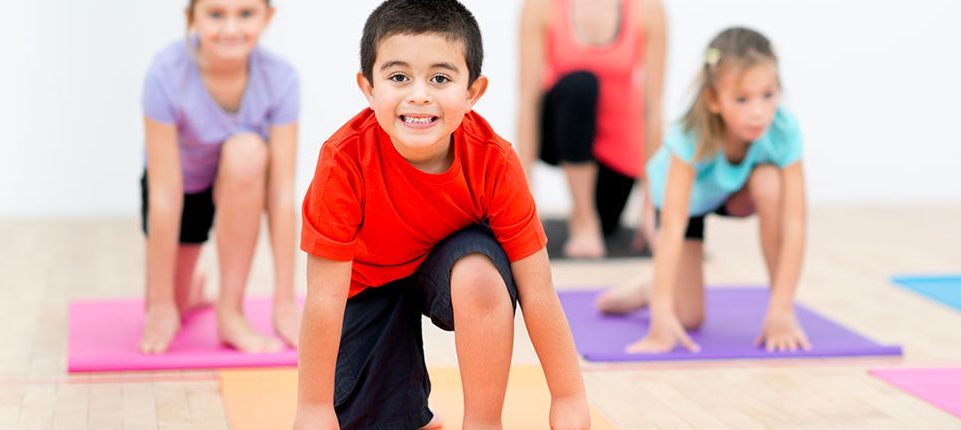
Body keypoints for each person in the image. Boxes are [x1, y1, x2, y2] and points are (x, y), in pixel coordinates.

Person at [292, 1, 588, 428]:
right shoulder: (343, 161)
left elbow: (538, 292)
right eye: (398, 77)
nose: (419, 94)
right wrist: (313, 408)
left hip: (449, 267)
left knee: (480, 275)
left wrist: (569, 396)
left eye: (440, 78)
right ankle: (409, 409)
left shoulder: (495, 161)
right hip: (371, 288)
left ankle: (483, 422)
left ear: (472, 92)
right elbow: (324, 298)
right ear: (368, 87)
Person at [596, 28, 811, 354]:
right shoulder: (689, 135)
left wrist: (783, 308)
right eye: (742, 99)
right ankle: (646, 288)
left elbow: (795, 224)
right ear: (713, 99)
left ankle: (777, 302)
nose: (758, 111)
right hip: (685, 206)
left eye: (768, 94)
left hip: (735, 194)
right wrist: (661, 317)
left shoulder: (783, 129)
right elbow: (673, 227)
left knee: (770, 181)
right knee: (689, 317)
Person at [139, 0, 301, 355]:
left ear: (267, 17)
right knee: (171, 308)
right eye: (216, 14)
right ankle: (188, 293)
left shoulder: (281, 78)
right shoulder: (165, 74)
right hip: (184, 189)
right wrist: (162, 305)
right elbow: (165, 195)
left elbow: (282, 194)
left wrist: (285, 302)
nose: (231, 29)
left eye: (245, 14)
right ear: (191, 18)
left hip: (240, 183)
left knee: (248, 151)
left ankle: (230, 313)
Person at [517, 0, 667, 258]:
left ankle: (592, 216)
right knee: (580, 85)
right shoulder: (540, 7)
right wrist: (524, 201)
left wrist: (651, 205)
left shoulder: (649, 10)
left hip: (616, 149)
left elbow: (652, 110)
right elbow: (528, 103)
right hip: (559, 133)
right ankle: (583, 220)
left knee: (608, 225)